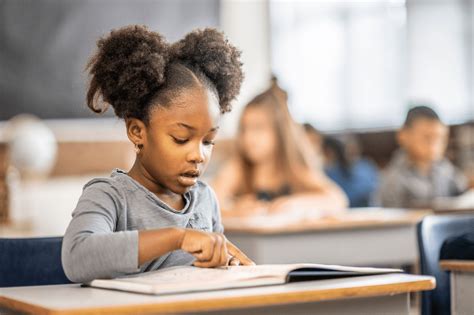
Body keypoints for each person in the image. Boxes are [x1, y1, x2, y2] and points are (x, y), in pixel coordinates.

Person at [62, 25, 253, 283]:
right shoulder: (109, 197)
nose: (199, 155)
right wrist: (178, 238)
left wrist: (225, 262)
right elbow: (77, 258)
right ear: (137, 131)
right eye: (181, 139)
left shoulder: (205, 200)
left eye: (208, 141)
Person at [212, 79, 348, 217]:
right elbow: (210, 203)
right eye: (244, 129)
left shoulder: (294, 169)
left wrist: (295, 204)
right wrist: (235, 210)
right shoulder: (239, 168)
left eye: (258, 128)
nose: (248, 137)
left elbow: (337, 199)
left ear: (280, 133)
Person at [378, 105, 468, 208]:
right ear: (403, 135)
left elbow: (464, 192)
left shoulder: (445, 169)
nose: (434, 145)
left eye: (440, 138)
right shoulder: (393, 179)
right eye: (427, 138)